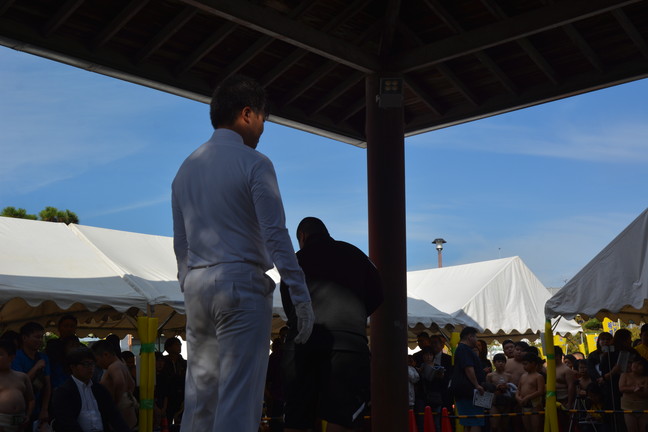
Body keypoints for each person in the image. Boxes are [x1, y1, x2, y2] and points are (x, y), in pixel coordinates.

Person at [171, 74, 314, 432]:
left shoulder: (184, 170)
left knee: (200, 402)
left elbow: (181, 243)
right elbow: (275, 234)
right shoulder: (255, 163)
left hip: (198, 286)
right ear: (248, 114)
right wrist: (300, 295)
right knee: (238, 400)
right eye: (263, 118)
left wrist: (189, 282)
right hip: (240, 284)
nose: (263, 128)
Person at [280, 217, 383, 432]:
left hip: (303, 341)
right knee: (342, 417)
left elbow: (289, 302)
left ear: (302, 237)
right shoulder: (357, 255)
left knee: (297, 416)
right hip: (348, 344)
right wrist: (354, 317)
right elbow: (378, 294)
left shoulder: (296, 260)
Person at [51, 347, 131, 432]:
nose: (90, 368)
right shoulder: (63, 392)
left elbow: (114, 416)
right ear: (73, 367)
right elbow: (67, 423)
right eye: (86, 364)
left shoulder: (100, 390)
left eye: (92, 364)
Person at [11, 322, 51, 431]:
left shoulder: (43, 358)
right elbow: (19, 383)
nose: (40, 340)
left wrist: (44, 409)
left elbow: (47, 386)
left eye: (41, 337)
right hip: (18, 409)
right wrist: (36, 367)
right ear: (24, 338)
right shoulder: (16, 357)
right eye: (37, 337)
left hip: (37, 411)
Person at [91, 340, 138, 430]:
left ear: (105, 355)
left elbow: (119, 382)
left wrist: (115, 401)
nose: (97, 364)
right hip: (127, 414)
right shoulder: (122, 364)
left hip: (119, 414)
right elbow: (132, 383)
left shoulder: (114, 366)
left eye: (97, 360)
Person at [449, 327, 485, 432]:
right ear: (470, 337)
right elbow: (468, 368)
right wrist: (477, 385)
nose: (476, 340)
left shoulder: (462, 349)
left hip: (465, 390)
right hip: (469, 391)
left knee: (468, 422)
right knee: (475, 421)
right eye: (475, 337)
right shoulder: (464, 349)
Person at [0, 340, 34, 432]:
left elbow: (31, 399)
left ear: (11, 357)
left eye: (0, 354)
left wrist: (28, 415)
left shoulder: (22, 377)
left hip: (20, 421)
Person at [160, 337, 186, 428]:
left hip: (182, 396)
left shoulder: (184, 363)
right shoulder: (163, 362)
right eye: (176, 344)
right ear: (168, 348)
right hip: (168, 398)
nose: (179, 346)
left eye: (180, 344)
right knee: (167, 423)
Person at [516, 353, 545, 432]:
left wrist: (528, 397)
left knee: (536, 427)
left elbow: (540, 391)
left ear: (533, 363)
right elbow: (518, 389)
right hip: (524, 404)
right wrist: (517, 397)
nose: (524, 366)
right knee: (527, 427)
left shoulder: (538, 376)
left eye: (526, 364)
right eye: (523, 364)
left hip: (535, 404)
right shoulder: (523, 376)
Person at [618, 356, 648, 432]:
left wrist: (637, 390)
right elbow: (621, 388)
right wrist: (634, 388)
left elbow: (646, 393)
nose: (635, 365)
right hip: (628, 406)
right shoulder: (624, 375)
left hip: (643, 407)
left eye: (639, 364)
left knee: (643, 429)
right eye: (634, 362)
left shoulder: (645, 378)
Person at [486, 353, 513, 432]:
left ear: (505, 363)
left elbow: (512, 388)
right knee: (494, 426)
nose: (501, 363)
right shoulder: (490, 376)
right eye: (498, 361)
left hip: (506, 401)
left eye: (502, 362)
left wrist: (506, 387)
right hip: (494, 402)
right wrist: (496, 388)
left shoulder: (509, 376)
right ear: (494, 363)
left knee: (504, 426)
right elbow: (487, 389)